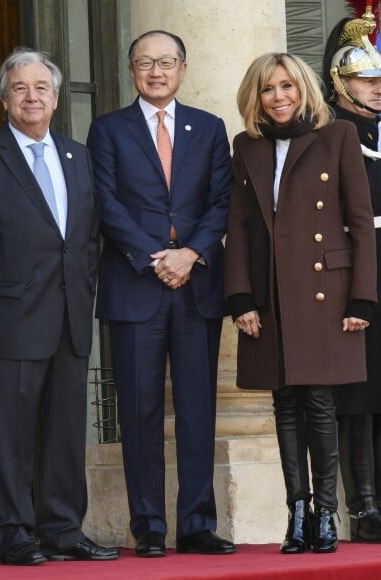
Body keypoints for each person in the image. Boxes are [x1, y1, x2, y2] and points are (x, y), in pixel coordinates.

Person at [86, 30, 235, 557]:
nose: (156, 71)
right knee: (139, 410)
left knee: (198, 409)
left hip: (196, 284)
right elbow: (104, 201)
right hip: (135, 284)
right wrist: (156, 257)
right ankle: (148, 526)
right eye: (145, 62)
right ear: (131, 70)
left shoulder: (211, 128)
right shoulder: (107, 129)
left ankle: (196, 524)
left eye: (166, 62)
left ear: (183, 68)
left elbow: (222, 200)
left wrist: (191, 253)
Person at [0, 47, 119, 566]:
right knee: (10, 438)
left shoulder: (78, 156)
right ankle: (12, 534)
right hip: (7, 322)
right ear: (4, 99)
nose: (32, 97)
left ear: (56, 98)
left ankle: (63, 530)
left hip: (70, 320)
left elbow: (88, 239)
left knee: (64, 435)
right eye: (20, 89)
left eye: (42, 88)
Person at [224, 52, 377, 554]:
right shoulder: (245, 145)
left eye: (287, 86)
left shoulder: (337, 137)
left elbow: (360, 223)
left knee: (319, 401)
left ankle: (327, 515)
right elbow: (240, 227)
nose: (279, 96)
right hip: (269, 295)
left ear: (304, 89)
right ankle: (297, 513)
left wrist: (362, 298)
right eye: (268, 89)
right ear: (256, 97)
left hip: (326, 293)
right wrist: (241, 296)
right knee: (283, 402)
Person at [322, 8, 381, 543]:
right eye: (366, 78)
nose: (376, 87)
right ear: (341, 83)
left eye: (379, 78)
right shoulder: (332, 135)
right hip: (357, 271)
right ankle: (364, 508)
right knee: (359, 396)